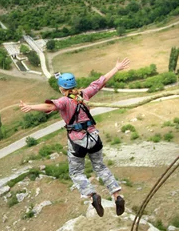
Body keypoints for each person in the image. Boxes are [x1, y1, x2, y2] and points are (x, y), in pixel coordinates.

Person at [19, 58, 130, 217]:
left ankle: (93, 195)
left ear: (61, 88)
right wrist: (116, 68)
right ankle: (117, 195)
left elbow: (50, 106)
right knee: (100, 167)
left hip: (78, 142)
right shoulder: (84, 94)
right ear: (74, 85)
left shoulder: (64, 101)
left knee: (76, 172)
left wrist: (31, 107)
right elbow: (99, 82)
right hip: (94, 138)